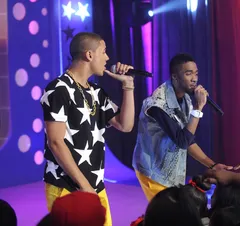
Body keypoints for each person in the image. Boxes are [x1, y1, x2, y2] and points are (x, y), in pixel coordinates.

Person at [40, 32, 135, 226]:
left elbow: (125, 125)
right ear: (89, 55)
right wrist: (84, 187)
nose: (108, 58)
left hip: (94, 186)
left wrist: (128, 86)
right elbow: (56, 142)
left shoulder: (96, 92)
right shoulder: (58, 89)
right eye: (104, 52)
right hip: (66, 185)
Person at [132, 53, 228, 201]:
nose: (194, 79)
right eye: (188, 74)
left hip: (172, 172)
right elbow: (182, 141)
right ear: (175, 77)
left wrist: (213, 165)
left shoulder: (186, 100)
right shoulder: (158, 104)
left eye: (196, 73)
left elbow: (188, 140)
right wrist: (198, 108)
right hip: (154, 172)